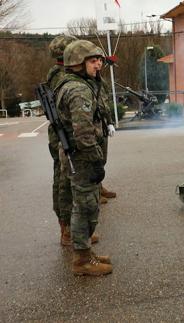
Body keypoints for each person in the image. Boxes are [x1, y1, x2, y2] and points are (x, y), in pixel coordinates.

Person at [55, 40, 112, 276]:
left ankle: (86, 252)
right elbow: (83, 132)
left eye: (98, 59)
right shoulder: (78, 90)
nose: (98, 64)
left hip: (78, 155)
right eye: (92, 60)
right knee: (85, 207)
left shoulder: (79, 84)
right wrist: (96, 161)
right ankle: (81, 260)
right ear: (78, 64)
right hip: (82, 157)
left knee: (85, 205)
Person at [46, 34, 77, 246]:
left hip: (60, 132)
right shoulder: (60, 75)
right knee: (64, 181)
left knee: (64, 178)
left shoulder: (58, 72)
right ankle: (67, 230)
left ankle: (68, 228)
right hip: (62, 134)